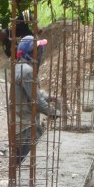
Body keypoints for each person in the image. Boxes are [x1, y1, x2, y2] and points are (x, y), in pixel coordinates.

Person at [13, 36, 60, 165]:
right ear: (31, 52)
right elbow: (37, 101)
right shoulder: (26, 71)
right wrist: (55, 113)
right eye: (38, 50)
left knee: (21, 165)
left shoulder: (19, 67)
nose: (41, 53)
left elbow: (32, 94)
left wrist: (49, 97)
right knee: (29, 166)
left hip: (21, 125)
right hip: (26, 127)